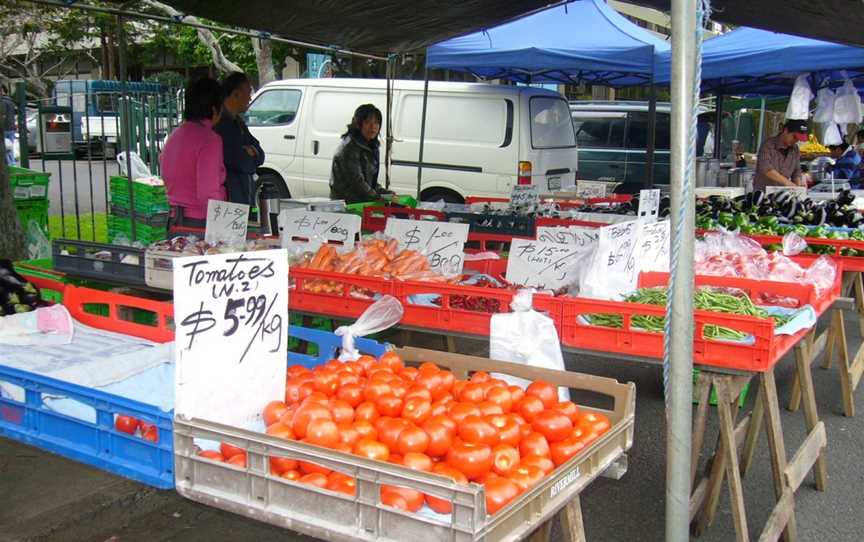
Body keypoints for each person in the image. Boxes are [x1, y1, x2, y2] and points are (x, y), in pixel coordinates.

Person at [160, 77, 226, 231]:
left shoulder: (174, 136)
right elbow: (208, 193)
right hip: (199, 223)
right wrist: (222, 226)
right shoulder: (210, 139)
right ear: (215, 109)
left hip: (174, 220)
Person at [214, 72, 264, 207]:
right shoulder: (221, 124)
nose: (250, 98)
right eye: (248, 93)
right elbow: (240, 161)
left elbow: (261, 155)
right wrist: (249, 155)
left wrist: (252, 152)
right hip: (231, 198)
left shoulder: (238, 122)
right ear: (236, 94)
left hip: (243, 195)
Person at [330, 104, 393, 203]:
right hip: (347, 204)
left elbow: (370, 181)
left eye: (376, 123)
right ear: (358, 124)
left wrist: (385, 193)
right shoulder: (349, 148)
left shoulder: (372, 145)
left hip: (361, 201)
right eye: (368, 122)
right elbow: (357, 182)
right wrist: (378, 198)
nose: (373, 127)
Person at [753, 119, 809, 191]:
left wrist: (798, 187)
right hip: (763, 194)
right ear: (785, 131)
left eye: (798, 139)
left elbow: (796, 171)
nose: (795, 141)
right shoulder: (768, 145)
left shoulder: (795, 149)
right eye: (794, 137)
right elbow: (765, 168)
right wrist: (789, 184)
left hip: (783, 194)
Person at [1, 85, 17, 166]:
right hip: (11, 127)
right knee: (9, 146)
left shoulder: (2, 101)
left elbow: (3, 115)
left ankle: (10, 163)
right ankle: (12, 162)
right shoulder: (11, 101)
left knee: (4, 147)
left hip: (4, 127)